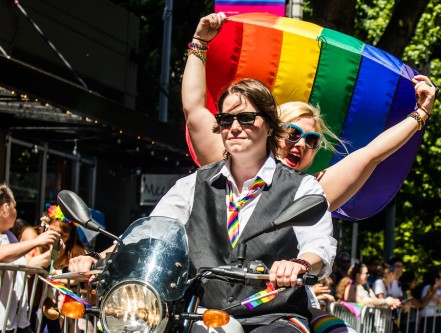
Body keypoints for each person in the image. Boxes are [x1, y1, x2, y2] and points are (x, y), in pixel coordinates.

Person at [71, 78, 336, 332]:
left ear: (269, 125)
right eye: (225, 119)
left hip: (272, 316)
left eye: (245, 118)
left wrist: (299, 264)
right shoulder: (194, 183)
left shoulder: (302, 187)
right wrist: (96, 259)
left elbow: (319, 244)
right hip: (199, 314)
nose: (233, 127)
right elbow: (150, 232)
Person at [182, 12, 438, 215]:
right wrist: (200, 42)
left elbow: (371, 155)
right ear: (270, 130)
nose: (302, 143)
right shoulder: (225, 164)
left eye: (312, 140)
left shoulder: (310, 193)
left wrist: (422, 113)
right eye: (293, 133)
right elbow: (193, 108)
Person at [0, 183, 59, 333]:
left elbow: (27, 265)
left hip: (17, 320)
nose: (16, 212)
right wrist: (36, 241)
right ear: (5, 208)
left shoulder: (9, 235)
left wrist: (53, 252)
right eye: (14, 207)